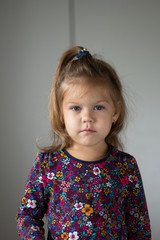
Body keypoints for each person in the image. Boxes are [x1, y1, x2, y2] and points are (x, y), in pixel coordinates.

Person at [17, 46, 151, 239]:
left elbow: (140, 227)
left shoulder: (126, 166)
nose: (87, 117)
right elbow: (27, 216)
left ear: (115, 112)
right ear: (61, 113)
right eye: (76, 108)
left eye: (98, 107)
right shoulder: (47, 164)